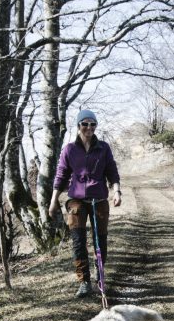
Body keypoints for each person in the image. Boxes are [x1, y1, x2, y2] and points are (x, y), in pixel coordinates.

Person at [48, 109, 122, 298]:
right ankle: (84, 282)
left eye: (92, 124)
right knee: (78, 241)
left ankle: (100, 278)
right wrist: (53, 200)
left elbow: (112, 171)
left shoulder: (103, 148)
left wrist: (117, 191)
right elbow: (61, 175)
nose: (89, 127)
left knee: (100, 240)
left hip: (99, 199)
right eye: (85, 124)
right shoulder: (69, 149)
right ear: (79, 126)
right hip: (76, 200)